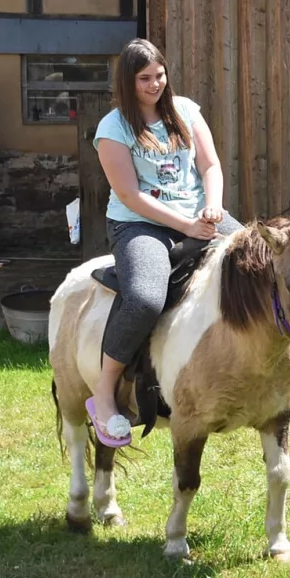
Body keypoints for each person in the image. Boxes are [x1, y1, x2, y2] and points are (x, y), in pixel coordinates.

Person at [89, 38, 241, 447]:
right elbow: (129, 196)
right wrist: (187, 226)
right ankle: (104, 392)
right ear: (128, 81)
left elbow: (210, 165)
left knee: (259, 261)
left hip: (199, 216)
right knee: (145, 298)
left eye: (159, 75)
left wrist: (212, 206)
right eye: (144, 79)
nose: (154, 84)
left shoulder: (186, 110)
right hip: (140, 225)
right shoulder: (113, 128)